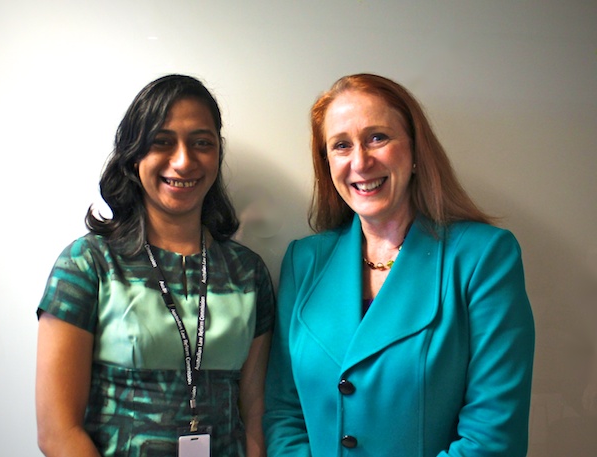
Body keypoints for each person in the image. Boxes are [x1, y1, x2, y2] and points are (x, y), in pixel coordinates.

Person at [263, 73, 535, 456]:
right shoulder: (303, 262)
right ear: (327, 164)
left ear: (415, 152)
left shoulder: (485, 258)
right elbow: (283, 413)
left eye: (378, 137)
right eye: (341, 145)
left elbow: (493, 438)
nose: (360, 161)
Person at [36, 74, 274, 456]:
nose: (183, 161)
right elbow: (58, 431)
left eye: (202, 143)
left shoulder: (248, 274)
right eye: (162, 142)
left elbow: (256, 416)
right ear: (134, 155)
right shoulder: (88, 264)